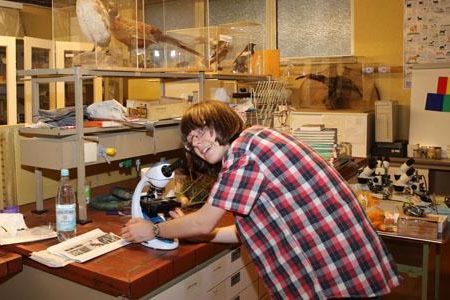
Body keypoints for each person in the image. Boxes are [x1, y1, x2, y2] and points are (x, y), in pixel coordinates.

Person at [121, 100, 401, 299]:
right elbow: (251, 230)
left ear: (222, 123)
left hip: (336, 272)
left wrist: (153, 229)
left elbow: (204, 221)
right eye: (191, 142)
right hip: (343, 266)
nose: (198, 145)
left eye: (202, 132)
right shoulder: (257, 140)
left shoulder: (246, 153)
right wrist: (199, 234)